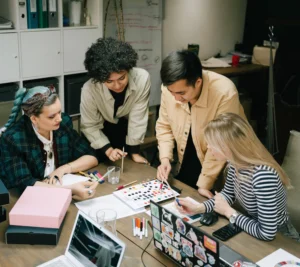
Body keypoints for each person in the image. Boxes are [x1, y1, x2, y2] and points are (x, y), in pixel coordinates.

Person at [177, 113, 299, 242]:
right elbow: (228, 195)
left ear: (229, 146)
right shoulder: (235, 164)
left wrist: (229, 212)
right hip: (252, 227)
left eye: (212, 143)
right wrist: (198, 208)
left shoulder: (263, 176)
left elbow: (267, 233)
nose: (208, 147)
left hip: (282, 239)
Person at [156, 50, 246, 198]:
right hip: (185, 160)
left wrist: (205, 183)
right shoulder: (171, 89)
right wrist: (165, 158)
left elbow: (221, 143)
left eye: (181, 93)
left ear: (198, 82)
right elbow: (164, 126)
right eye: (171, 92)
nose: (176, 98)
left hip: (219, 169)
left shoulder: (224, 92)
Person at [0, 86, 98, 200]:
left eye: (59, 112)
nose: (59, 119)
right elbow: (25, 184)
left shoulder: (63, 124)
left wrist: (63, 169)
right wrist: (70, 190)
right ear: (34, 119)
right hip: (27, 199)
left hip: (59, 193)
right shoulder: (13, 138)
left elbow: (91, 157)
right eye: (52, 116)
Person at [81, 37, 150, 164]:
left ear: (129, 69)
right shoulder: (89, 89)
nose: (117, 86)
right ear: (100, 79)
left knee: (127, 165)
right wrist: (108, 150)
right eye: (109, 81)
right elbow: (90, 125)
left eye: (122, 78)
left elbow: (137, 118)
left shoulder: (142, 79)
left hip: (124, 127)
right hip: (98, 131)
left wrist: (134, 152)